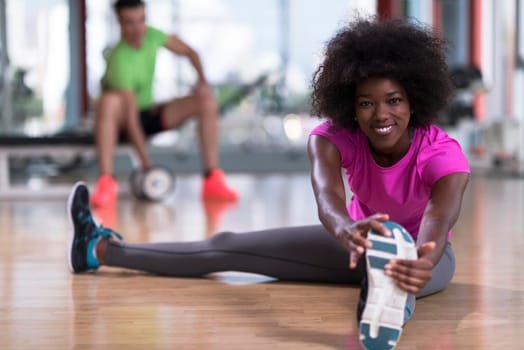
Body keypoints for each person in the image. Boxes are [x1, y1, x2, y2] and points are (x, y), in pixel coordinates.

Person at [68, 17, 470, 349]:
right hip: (354, 241)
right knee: (226, 246)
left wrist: (423, 260)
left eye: (394, 100)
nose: (381, 113)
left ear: (414, 100)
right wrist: (346, 228)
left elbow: (439, 215)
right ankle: (98, 248)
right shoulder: (331, 138)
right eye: (367, 102)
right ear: (351, 105)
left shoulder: (443, 152)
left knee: (397, 272)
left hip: (426, 256)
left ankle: (390, 296)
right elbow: (328, 196)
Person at [91, 0, 238, 206]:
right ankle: (106, 181)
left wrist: (203, 83)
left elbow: (191, 53)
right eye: (130, 22)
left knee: (206, 102)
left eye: (141, 20)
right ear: (120, 24)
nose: (138, 28)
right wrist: (148, 168)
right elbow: (133, 120)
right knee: (108, 102)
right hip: (122, 122)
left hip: (148, 112)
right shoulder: (119, 58)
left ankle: (212, 179)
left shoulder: (152, 35)